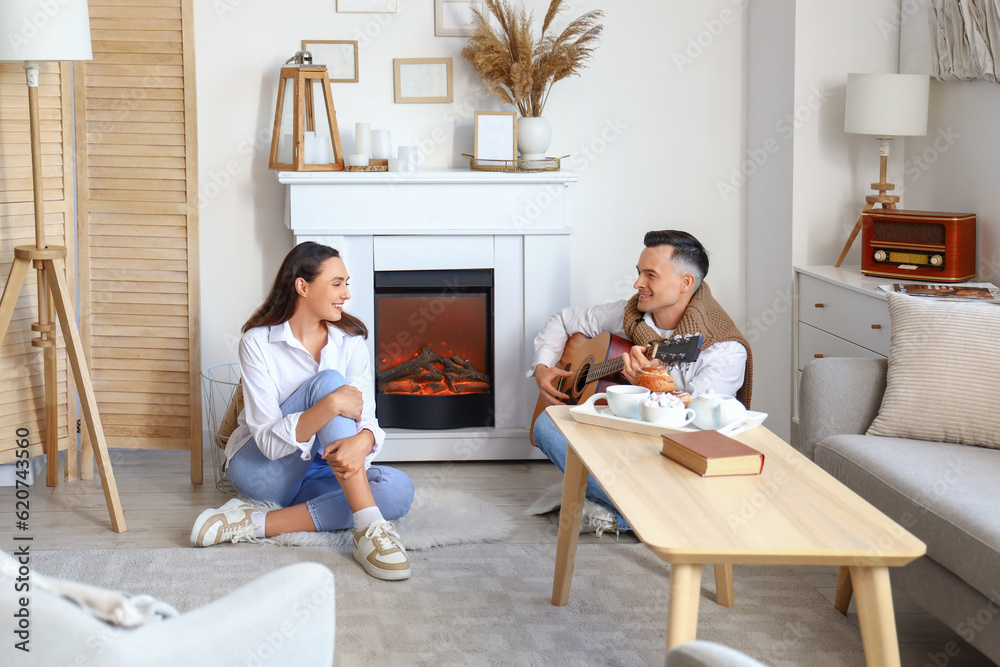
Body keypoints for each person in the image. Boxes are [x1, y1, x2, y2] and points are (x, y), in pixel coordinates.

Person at [190, 242, 414, 581]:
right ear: (302, 286)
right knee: (329, 385)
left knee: (398, 490)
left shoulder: (350, 341)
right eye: (337, 283)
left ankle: (254, 523)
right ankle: (368, 529)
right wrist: (330, 405)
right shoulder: (257, 342)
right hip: (264, 470)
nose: (347, 294)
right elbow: (267, 440)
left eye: (347, 283)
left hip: (322, 471)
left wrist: (363, 440)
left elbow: (366, 416)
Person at [530, 230, 753, 534]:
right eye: (638, 273)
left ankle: (628, 512)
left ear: (685, 282)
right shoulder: (631, 315)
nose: (637, 284)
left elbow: (699, 426)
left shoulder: (723, 349)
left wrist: (651, 386)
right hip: (621, 442)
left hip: (668, 457)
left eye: (650, 275)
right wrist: (543, 366)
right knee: (545, 424)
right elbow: (563, 320)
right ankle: (634, 511)